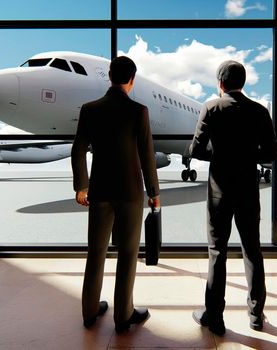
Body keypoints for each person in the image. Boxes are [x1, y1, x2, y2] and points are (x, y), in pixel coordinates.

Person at [188, 60, 277, 335]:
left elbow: (195, 149)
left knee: (217, 252)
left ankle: (215, 317)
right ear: (243, 83)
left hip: (219, 191)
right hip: (248, 190)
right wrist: (249, 156)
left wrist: (219, 156)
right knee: (252, 250)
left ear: (220, 83)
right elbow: (271, 155)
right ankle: (256, 314)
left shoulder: (211, 108)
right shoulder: (259, 111)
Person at [72, 56, 160, 333]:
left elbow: (78, 150)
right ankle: (124, 315)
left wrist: (81, 186)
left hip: (99, 190)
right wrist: (154, 192)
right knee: (128, 252)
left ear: (109, 76)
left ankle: (89, 310)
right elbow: (147, 156)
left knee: (96, 251)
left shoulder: (90, 109)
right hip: (131, 192)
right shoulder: (139, 111)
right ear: (132, 80)